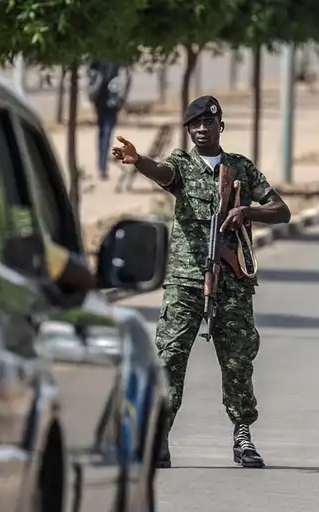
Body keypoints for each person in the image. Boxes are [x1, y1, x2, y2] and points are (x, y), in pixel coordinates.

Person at [111, 95, 291, 469]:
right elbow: (164, 174)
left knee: (238, 360)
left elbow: (281, 210)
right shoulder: (182, 163)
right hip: (186, 280)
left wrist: (248, 210)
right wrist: (139, 161)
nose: (202, 129)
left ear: (219, 125)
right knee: (170, 358)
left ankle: (243, 434)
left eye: (209, 123)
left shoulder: (240, 168)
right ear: (189, 129)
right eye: (195, 124)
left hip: (233, 280)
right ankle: (158, 437)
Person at [87, 60, 129, 180]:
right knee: (106, 133)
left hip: (100, 101)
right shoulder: (115, 57)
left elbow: (90, 70)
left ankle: (102, 165)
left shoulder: (98, 56)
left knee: (102, 134)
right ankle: (102, 166)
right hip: (110, 102)